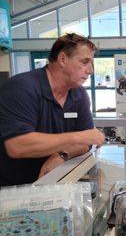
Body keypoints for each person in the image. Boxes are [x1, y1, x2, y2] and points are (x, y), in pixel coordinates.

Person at [0, 33, 105, 187]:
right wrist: (77, 137)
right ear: (62, 59)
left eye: (92, 63)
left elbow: (86, 143)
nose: (90, 70)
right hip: (12, 189)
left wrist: (62, 154)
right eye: (84, 62)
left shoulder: (78, 94)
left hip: (53, 185)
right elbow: (17, 145)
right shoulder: (22, 88)